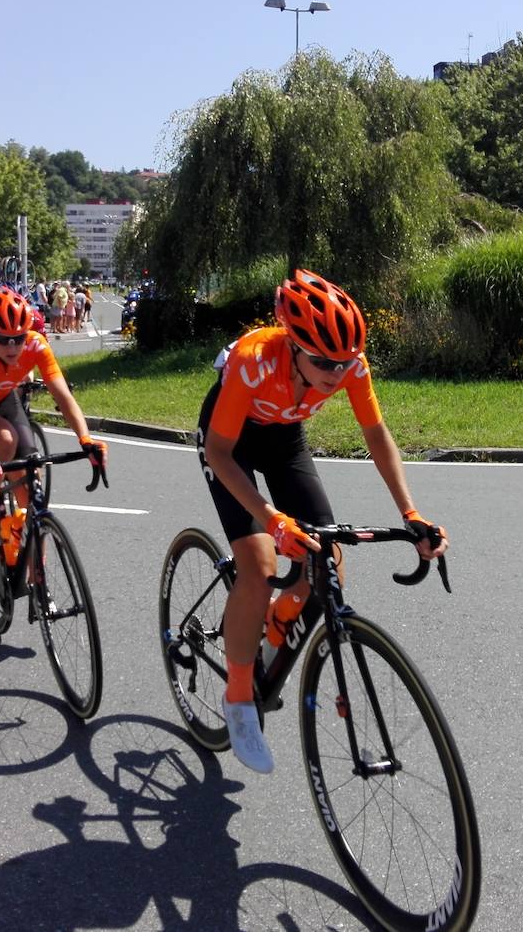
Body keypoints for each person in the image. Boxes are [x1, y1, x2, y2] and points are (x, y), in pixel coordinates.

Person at [196, 269, 448, 774]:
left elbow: (376, 435)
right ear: (292, 345)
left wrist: (412, 514)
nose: (336, 373)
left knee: (326, 561)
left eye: (345, 361)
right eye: (323, 363)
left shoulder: (351, 366)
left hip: (285, 437)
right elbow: (221, 455)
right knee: (259, 563)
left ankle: (276, 623)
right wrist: (270, 519)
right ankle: (240, 697)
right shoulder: (253, 362)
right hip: (231, 442)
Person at [0, 286, 107, 566]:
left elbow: (64, 398)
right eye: (2, 340)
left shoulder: (36, 345)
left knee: (31, 477)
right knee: (4, 442)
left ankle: (37, 582)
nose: (12, 347)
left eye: (18, 339)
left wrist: (86, 440)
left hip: (4, 397)